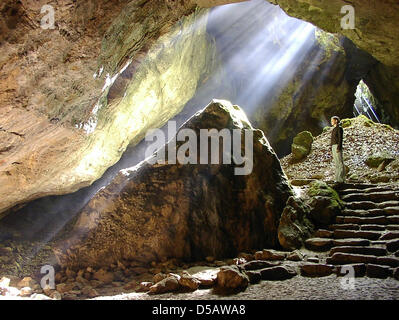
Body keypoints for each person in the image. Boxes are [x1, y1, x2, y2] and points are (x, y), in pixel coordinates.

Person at [330, 116, 346, 183]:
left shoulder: (339, 128)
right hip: (333, 146)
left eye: (332, 120)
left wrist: (339, 147)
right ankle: (337, 178)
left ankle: (341, 179)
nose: (331, 122)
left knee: (339, 162)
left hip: (337, 145)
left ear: (336, 121)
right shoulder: (334, 129)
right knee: (336, 163)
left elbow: (340, 139)